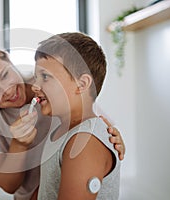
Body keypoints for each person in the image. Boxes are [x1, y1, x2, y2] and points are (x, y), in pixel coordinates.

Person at [0, 42, 125, 200]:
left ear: (8, 60)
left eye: (4, 75)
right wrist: (19, 144)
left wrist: (113, 139)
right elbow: (8, 185)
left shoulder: (52, 85)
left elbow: (95, 124)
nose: (7, 91)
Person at [31, 32, 120, 200]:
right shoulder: (60, 131)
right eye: (36, 77)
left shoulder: (84, 144)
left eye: (45, 77)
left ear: (82, 84)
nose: (35, 86)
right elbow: (47, 187)